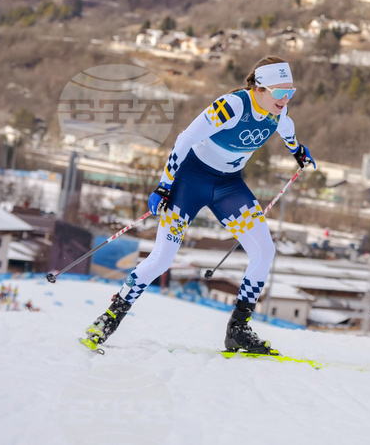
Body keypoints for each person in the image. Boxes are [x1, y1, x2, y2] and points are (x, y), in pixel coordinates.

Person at [82, 56, 316, 354]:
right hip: (189, 182)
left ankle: (238, 330)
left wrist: (298, 152)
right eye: (280, 93)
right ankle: (109, 318)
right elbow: (184, 139)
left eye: (290, 93)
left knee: (265, 250)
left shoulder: (279, 115)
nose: (285, 99)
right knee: (162, 258)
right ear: (259, 88)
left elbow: (290, 135)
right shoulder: (232, 106)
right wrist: (165, 184)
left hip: (229, 186)